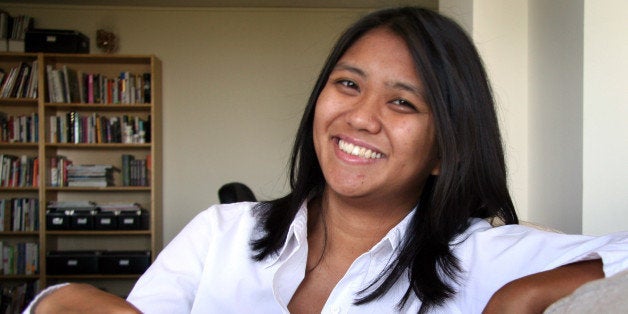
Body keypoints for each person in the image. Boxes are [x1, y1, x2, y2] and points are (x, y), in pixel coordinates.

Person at [27, 6, 627, 314]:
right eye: (347, 85)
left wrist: (519, 299)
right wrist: (58, 299)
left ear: (446, 150)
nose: (360, 118)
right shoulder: (221, 234)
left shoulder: (486, 259)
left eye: (401, 102)